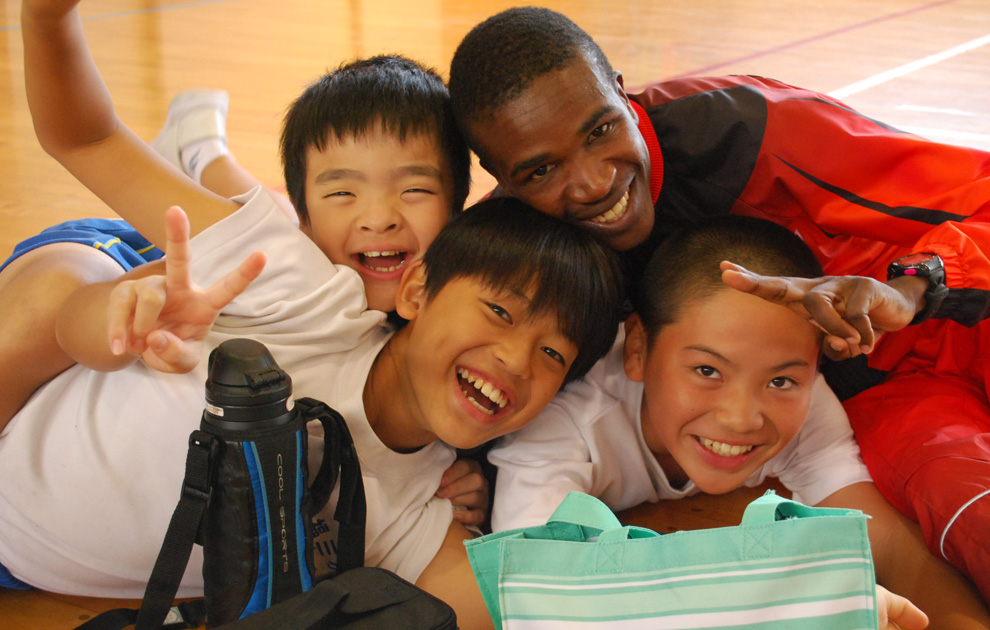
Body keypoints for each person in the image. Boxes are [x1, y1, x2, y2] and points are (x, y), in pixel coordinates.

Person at [447, 7, 990, 629]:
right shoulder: (526, 250)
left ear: (622, 91)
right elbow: (461, 361)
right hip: (871, 396)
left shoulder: (744, 130)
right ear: (498, 175)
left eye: (601, 130)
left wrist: (913, 287)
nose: (593, 183)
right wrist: (459, 470)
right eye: (540, 171)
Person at [2, 2, 626, 628]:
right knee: (68, 289)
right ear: (419, 288)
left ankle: (203, 150)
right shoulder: (294, 275)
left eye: (415, 189)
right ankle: (202, 152)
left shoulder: (420, 501)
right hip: (121, 265)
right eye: (498, 312)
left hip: (17, 560)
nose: (380, 217)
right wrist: (50, 20)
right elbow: (87, 143)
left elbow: (520, 607)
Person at [490, 215, 990, 630]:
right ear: (638, 348)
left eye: (781, 380)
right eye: (707, 371)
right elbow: (544, 589)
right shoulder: (566, 415)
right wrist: (802, 604)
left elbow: (887, 545)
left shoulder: (803, 402)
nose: (741, 417)